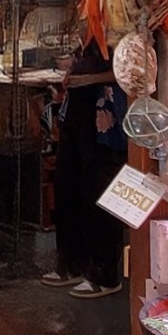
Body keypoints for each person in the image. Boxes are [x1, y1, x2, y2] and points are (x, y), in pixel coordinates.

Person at [43, 41, 129, 297]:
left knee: (98, 191)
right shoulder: (92, 19)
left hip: (105, 114)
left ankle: (104, 274)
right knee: (67, 186)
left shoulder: (123, 24)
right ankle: (71, 264)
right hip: (77, 111)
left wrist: (91, 79)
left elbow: (131, 71)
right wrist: (73, 74)